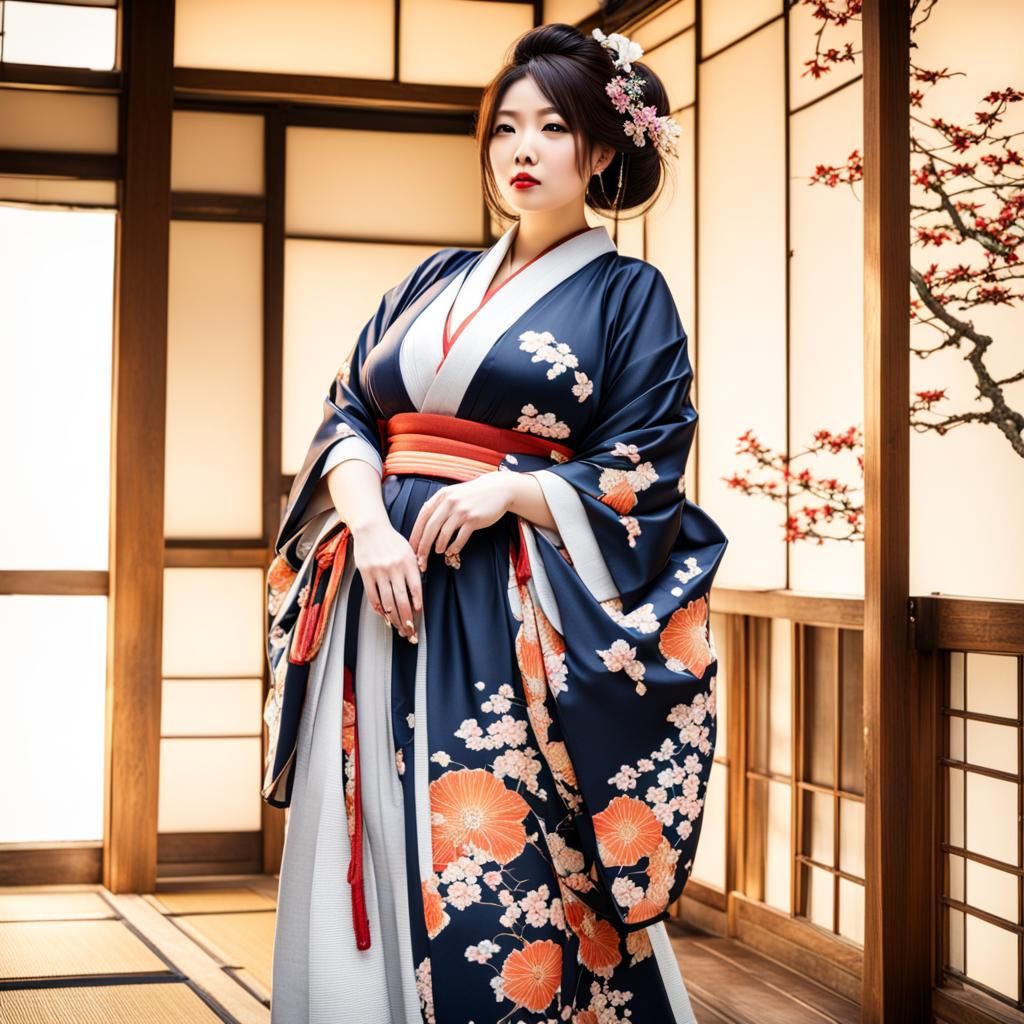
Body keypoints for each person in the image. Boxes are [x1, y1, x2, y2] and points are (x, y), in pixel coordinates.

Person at [264, 21, 728, 1024]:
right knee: (367, 820)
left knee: (497, 841)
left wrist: (511, 491)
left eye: (551, 128)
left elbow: (646, 464)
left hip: (502, 609)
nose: (520, 149)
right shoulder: (430, 279)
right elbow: (349, 411)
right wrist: (371, 525)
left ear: (601, 152)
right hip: (375, 579)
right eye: (504, 128)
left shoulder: (627, 294)